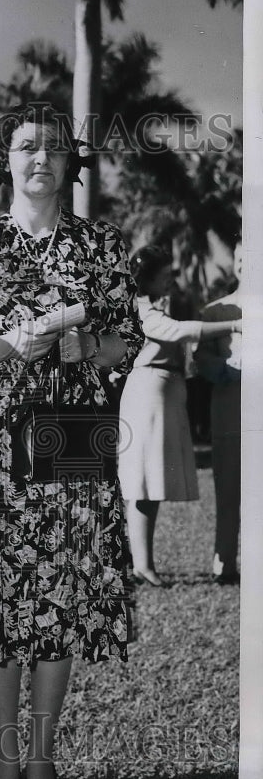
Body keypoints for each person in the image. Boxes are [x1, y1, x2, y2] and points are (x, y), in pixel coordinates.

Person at [0, 103, 143, 779]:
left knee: (61, 595)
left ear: (69, 163)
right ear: (6, 160)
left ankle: (43, 759)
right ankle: (3, 755)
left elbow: (127, 342)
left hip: (72, 435)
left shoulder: (98, 248)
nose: (40, 158)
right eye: (26, 146)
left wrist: (88, 346)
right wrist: (7, 346)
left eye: (53, 148)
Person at [118, 245, 240, 586]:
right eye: (165, 274)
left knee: (150, 483)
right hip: (148, 396)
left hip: (162, 396)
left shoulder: (156, 309)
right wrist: (234, 324)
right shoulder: (144, 311)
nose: (171, 278)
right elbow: (180, 332)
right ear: (150, 278)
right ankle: (141, 565)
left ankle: (143, 562)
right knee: (142, 483)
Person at [194, 240, 244, 583]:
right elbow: (200, 360)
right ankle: (224, 563)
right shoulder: (215, 311)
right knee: (228, 491)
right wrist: (227, 367)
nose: (244, 265)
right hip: (229, 412)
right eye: (239, 258)